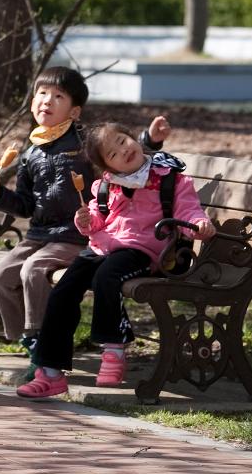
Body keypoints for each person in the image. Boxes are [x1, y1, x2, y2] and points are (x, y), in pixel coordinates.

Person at [17, 120, 216, 399]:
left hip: (145, 251)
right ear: (108, 168)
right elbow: (98, 222)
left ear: (133, 138)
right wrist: (85, 221)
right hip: (103, 246)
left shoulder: (170, 178)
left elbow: (188, 211)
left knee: (106, 277)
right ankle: (50, 372)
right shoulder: (106, 186)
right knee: (63, 290)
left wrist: (199, 224)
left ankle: (113, 350)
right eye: (113, 154)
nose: (123, 151)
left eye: (123, 141)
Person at [0, 67, 170, 356]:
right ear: (32, 103)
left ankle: (42, 339)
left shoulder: (84, 144)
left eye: (58, 96)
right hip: (39, 235)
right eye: (42, 93)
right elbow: (25, 204)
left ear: (74, 112)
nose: (47, 100)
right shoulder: (30, 151)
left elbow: (122, 155)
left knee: (34, 270)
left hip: (77, 236)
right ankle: (27, 336)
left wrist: (151, 140)